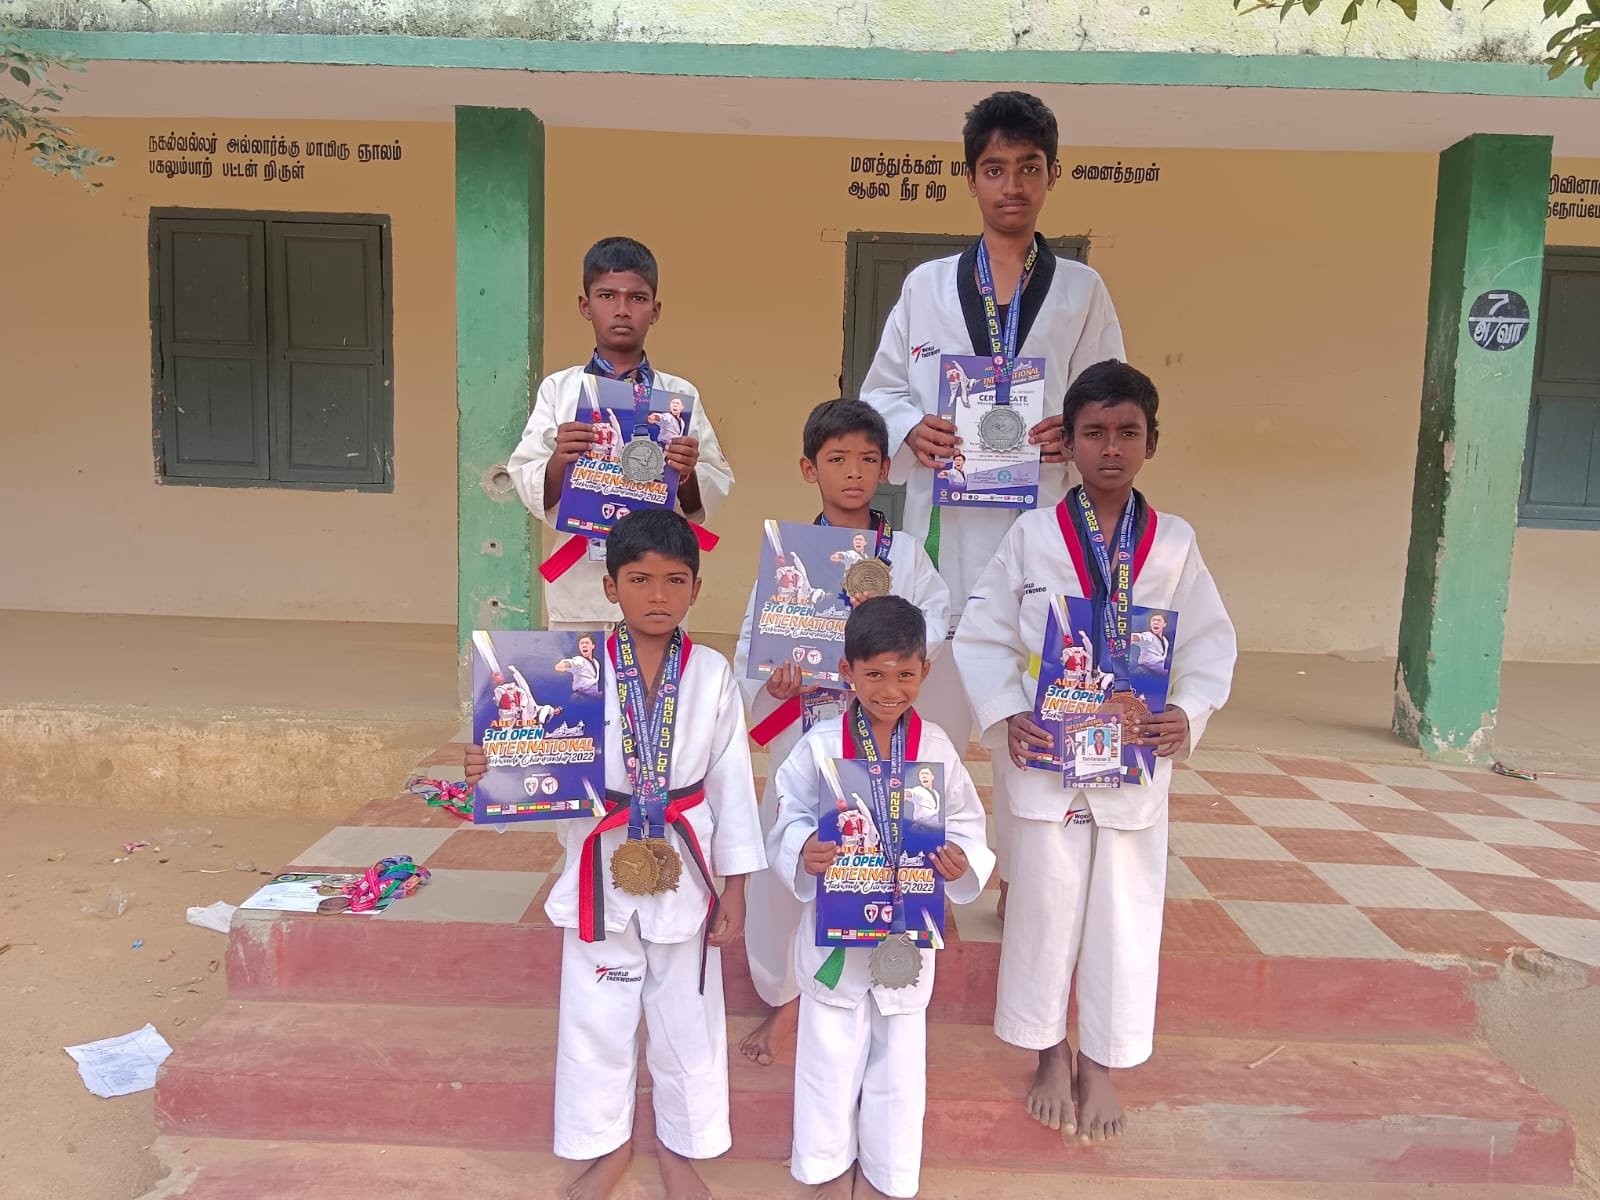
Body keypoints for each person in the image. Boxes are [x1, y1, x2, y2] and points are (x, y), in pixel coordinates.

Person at [953, 361, 1236, 1146]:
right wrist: (1008, 712)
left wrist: (1187, 711)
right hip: (1050, 758)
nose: (1111, 448)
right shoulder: (1032, 535)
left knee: (1124, 915)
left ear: (1152, 441)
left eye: (1127, 433)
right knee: (1044, 909)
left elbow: (1210, 642)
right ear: (1068, 444)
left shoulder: (1174, 542)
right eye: (1094, 433)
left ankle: (1103, 1060)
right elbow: (981, 634)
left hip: (1133, 761)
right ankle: (1048, 1050)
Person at [860, 91, 1125, 919]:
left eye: (1028, 168)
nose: (1012, 185)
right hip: (942, 536)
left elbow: (1108, 398)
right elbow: (879, 393)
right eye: (995, 169)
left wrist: (1069, 433)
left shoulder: (1081, 290)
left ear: (1052, 176)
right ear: (971, 177)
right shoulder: (925, 286)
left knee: (1031, 712)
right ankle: (910, 867)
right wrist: (913, 427)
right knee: (926, 709)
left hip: (1039, 535)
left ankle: (1022, 877)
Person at [466, 509, 764, 1200]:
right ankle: (607, 1146)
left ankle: (682, 1149)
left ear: (696, 588)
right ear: (609, 587)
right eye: (639, 580)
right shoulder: (566, 669)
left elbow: (732, 784)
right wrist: (493, 767)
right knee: (595, 1019)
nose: (657, 595)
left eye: (674, 580)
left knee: (687, 1021)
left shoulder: (712, 672)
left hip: (686, 864)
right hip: (599, 859)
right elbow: (532, 756)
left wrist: (737, 884)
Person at [733, 400, 951, 1069]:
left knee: (876, 851)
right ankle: (786, 993)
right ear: (810, 469)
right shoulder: (789, 556)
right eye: (836, 459)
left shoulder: (904, 554)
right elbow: (755, 642)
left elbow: (934, 621)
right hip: (807, 730)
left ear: (885, 469)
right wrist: (775, 681)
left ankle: (870, 974)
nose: (852, 472)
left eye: (866, 459)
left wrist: (892, 659)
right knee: (795, 853)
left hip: (879, 731)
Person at [767, 597, 994, 1200]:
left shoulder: (937, 747)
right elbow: (787, 816)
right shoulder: (820, 744)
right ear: (847, 671)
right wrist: (803, 848)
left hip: (907, 932)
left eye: (905, 674)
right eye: (874, 674)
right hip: (837, 929)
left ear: (925, 670)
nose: (890, 690)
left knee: (899, 1061)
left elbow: (966, 824)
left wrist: (962, 860)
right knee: (828, 1055)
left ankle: (888, 1175)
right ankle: (825, 1168)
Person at [507, 237, 736, 630]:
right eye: (607, 296)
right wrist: (561, 459)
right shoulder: (560, 390)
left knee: (656, 670)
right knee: (583, 671)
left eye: (637, 298)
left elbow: (708, 489)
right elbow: (529, 479)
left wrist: (686, 474)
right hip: (582, 584)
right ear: (585, 306)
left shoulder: (678, 396)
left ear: (655, 310)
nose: (622, 310)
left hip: (659, 584)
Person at [554, 633, 604, 699]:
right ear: (579, 647)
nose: (584, 645)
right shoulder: (579, 660)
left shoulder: (596, 663)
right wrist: (564, 664)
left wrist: (596, 694)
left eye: (587, 643)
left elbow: (593, 682)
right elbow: (573, 663)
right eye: (581, 643)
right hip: (579, 698)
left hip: (591, 698)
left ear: (593, 646)